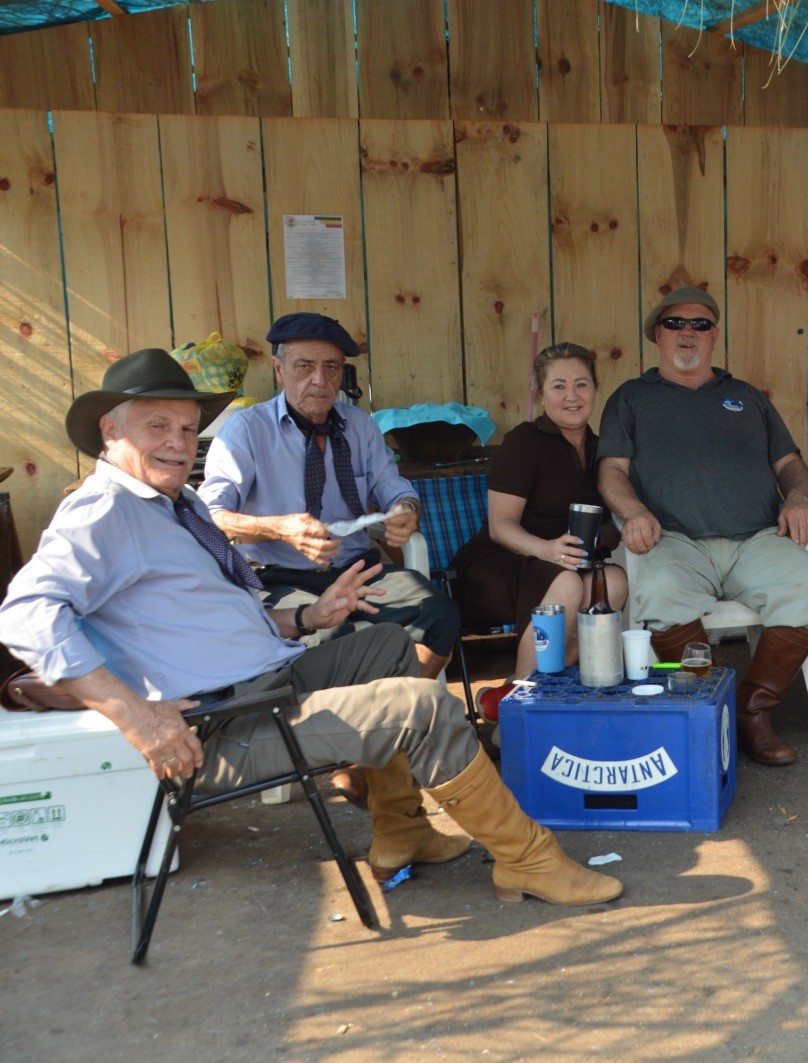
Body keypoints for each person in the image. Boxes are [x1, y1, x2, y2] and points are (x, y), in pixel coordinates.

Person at [0, 349, 621, 906]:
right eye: (156, 427)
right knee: (424, 706)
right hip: (218, 727)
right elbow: (26, 614)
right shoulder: (104, 510)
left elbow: (207, 619)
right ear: (111, 431)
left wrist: (307, 618)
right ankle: (528, 860)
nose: (177, 442)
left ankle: (400, 826)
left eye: (187, 428)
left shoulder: (174, 502)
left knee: (384, 643)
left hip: (263, 679)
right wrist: (137, 717)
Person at [201, 313, 460, 802]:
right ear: (278, 370)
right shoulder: (245, 431)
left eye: (331, 368)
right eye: (304, 366)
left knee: (438, 613)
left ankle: (371, 754)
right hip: (278, 575)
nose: (319, 380)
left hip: (355, 568)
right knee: (331, 633)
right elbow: (212, 516)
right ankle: (334, 745)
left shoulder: (359, 426)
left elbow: (394, 487)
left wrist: (404, 511)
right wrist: (277, 527)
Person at [597, 286, 808, 767]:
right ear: (657, 336)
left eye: (700, 325)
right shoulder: (631, 398)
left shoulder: (746, 396)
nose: (688, 333)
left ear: (714, 336)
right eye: (676, 324)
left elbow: (791, 463)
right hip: (674, 540)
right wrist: (635, 511)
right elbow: (612, 473)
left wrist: (796, 496)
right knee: (660, 591)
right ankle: (707, 712)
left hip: (755, 538)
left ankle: (751, 711)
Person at [449, 343, 627, 714]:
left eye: (581, 384)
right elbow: (501, 527)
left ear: (595, 389)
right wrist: (547, 550)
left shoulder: (603, 449)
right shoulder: (524, 442)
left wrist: (604, 537)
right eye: (559, 386)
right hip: (500, 562)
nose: (572, 396)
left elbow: (611, 522)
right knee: (567, 582)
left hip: (566, 562)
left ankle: (520, 695)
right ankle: (524, 708)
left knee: (615, 582)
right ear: (540, 392)